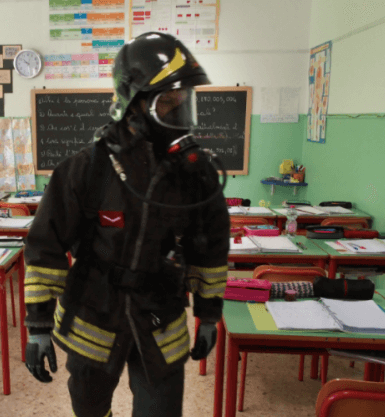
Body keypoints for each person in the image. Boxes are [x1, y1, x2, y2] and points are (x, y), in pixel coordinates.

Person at [24, 32, 230, 417]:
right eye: (166, 103)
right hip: (94, 315)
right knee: (90, 408)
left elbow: (210, 248)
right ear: (134, 102)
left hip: (160, 315)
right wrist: (38, 326)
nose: (178, 114)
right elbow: (45, 246)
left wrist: (209, 313)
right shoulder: (87, 169)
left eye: (183, 102)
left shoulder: (196, 174)